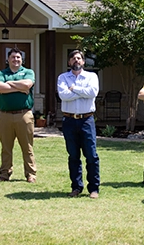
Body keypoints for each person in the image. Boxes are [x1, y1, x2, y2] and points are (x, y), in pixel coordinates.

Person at [57, 50, 100, 199]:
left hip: (87, 120)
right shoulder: (62, 78)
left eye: (79, 58)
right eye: (73, 58)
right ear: (69, 62)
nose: (76, 60)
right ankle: (76, 187)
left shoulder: (91, 76)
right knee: (73, 156)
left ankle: (94, 189)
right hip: (69, 121)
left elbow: (93, 92)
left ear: (83, 61)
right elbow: (63, 95)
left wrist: (74, 89)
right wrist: (83, 92)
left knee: (91, 155)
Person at [0, 48, 37, 183]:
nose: (16, 59)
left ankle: (30, 174)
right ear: (8, 59)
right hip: (5, 115)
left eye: (18, 57)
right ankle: (5, 173)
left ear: (22, 59)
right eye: (13, 57)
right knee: (6, 147)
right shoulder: (1, 73)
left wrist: (9, 84)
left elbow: (28, 84)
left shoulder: (28, 72)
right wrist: (20, 87)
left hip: (24, 114)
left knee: (27, 147)